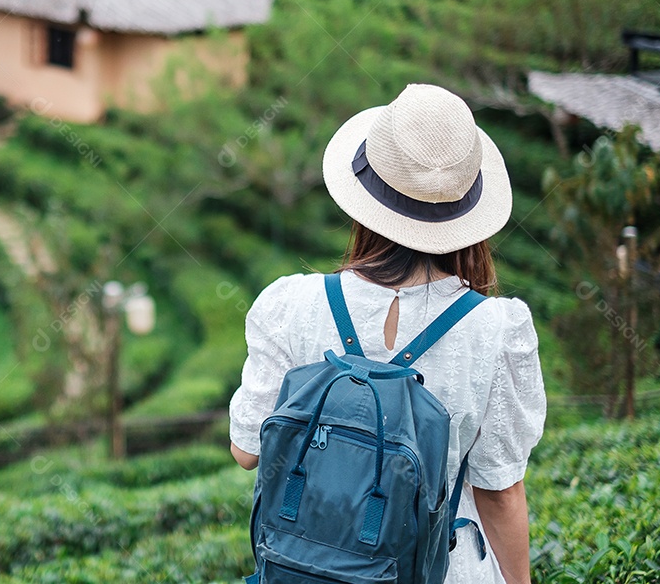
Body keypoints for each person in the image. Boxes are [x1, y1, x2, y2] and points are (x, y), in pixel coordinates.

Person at [229, 84, 546, 584]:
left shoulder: (289, 305)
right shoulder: (496, 329)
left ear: (365, 198)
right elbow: (500, 490)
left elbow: (248, 451)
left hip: (308, 567)